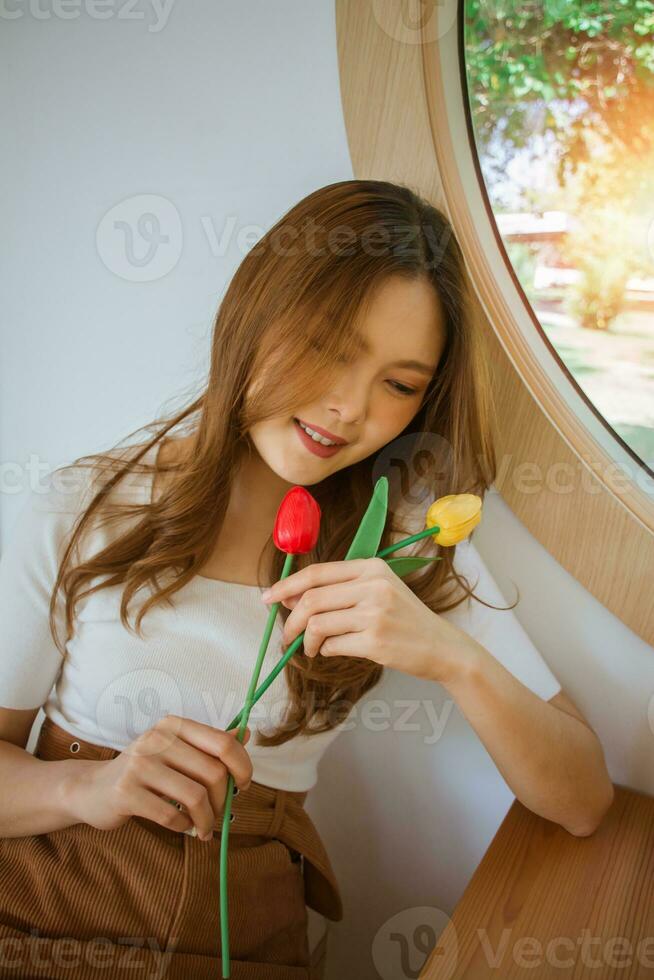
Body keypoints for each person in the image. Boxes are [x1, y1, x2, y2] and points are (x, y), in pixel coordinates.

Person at [0, 179, 614, 979]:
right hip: (40, 914)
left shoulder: (407, 543)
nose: (348, 408)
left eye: (398, 384)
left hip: (244, 935)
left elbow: (582, 799)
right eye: (330, 347)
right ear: (256, 313)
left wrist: (447, 654)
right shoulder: (84, 507)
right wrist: (90, 787)